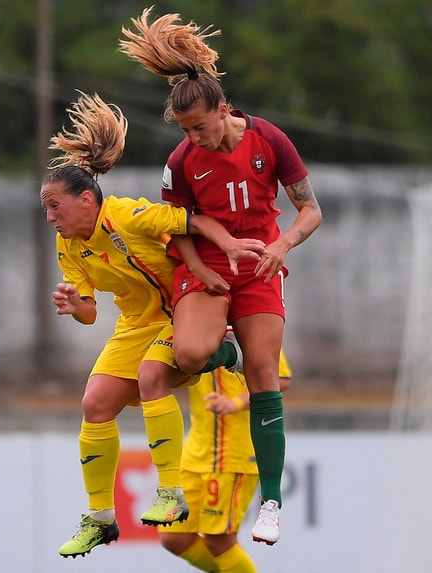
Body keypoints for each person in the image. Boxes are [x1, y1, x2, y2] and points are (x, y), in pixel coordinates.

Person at [120, 8, 322, 546]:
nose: (195, 138)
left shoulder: (270, 140)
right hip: (208, 268)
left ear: (224, 111)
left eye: (200, 127)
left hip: (258, 268)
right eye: (186, 130)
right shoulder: (182, 159)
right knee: (188, 355)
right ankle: (223, 350)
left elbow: (310, 211)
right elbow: (178, 225)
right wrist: (200, 267)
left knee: (263, 375)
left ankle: (272, 502)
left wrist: (281, 244)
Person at [42, 92, 265, 559]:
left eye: (54, 207)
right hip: (136, 324)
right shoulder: (69, 247)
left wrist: (228, 246)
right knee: (95, 403)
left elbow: (192, 220)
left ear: (87, 199)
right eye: (46, 209)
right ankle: (101, 518)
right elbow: (89, 312)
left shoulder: (126, 214)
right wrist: (73, 304)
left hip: (182, 307)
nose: (50, 217)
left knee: (151, 379)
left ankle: (170, 492)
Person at [159, 350, 293, 572]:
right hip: (196, 450)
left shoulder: (249, 324)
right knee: (174, 537)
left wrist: (236, 402)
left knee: (218, 541)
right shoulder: (189, 325)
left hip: (232, 452)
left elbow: (281, 378)